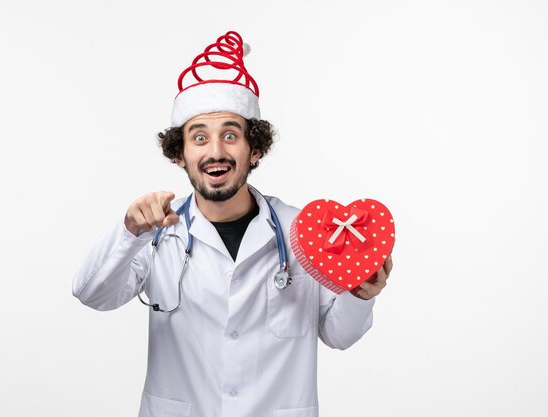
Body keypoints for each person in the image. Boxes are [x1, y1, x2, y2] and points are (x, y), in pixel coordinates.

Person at [72, 31, 392, 417]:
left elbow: (338, 335)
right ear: (180, 154)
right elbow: (91, 294)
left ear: (254, 149)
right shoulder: (157, 234)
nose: (216, 151)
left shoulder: (301, 230)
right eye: (199, 138)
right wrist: (128, 233)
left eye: (230, 135)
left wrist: (361, 294)